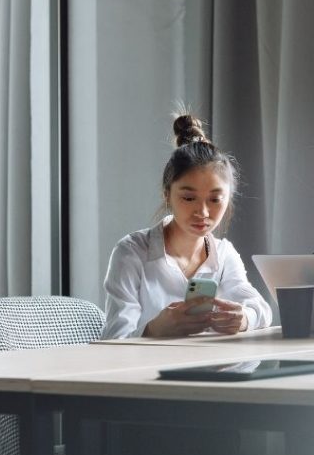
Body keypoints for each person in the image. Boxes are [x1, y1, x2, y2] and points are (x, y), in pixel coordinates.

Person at [101, 113, 272, 339]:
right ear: (167, 195)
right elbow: (113, 339)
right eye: (189, 198)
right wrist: (153, 330)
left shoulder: (223, 253)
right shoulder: (132, 253)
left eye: (214, 199)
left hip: (211, 369)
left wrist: (244, 319)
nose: (202, 212)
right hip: (145, 372)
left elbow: (261, 310)